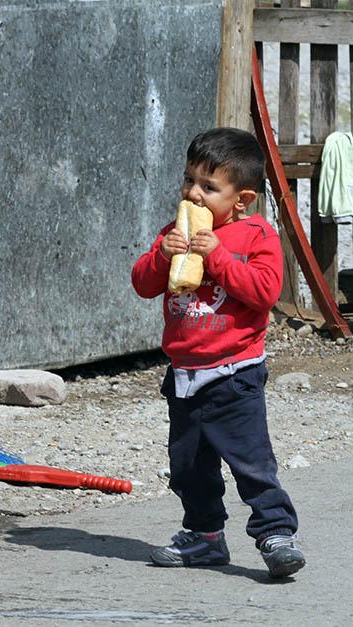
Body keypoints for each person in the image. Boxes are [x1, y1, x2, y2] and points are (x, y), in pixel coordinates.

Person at [131, 127, 305, 578]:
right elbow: (143, 284)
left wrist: (219, 259)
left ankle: (275, 532)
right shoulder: (174, 231)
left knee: (251, 461)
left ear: (241, 199)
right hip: (185, 373)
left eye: (209, 187)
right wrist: (159, 257)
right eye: (189, 181)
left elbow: (265, 291)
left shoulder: (254, 235)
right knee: (188, 466)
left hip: (236, 374)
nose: (193, 193)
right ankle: (205, 536)